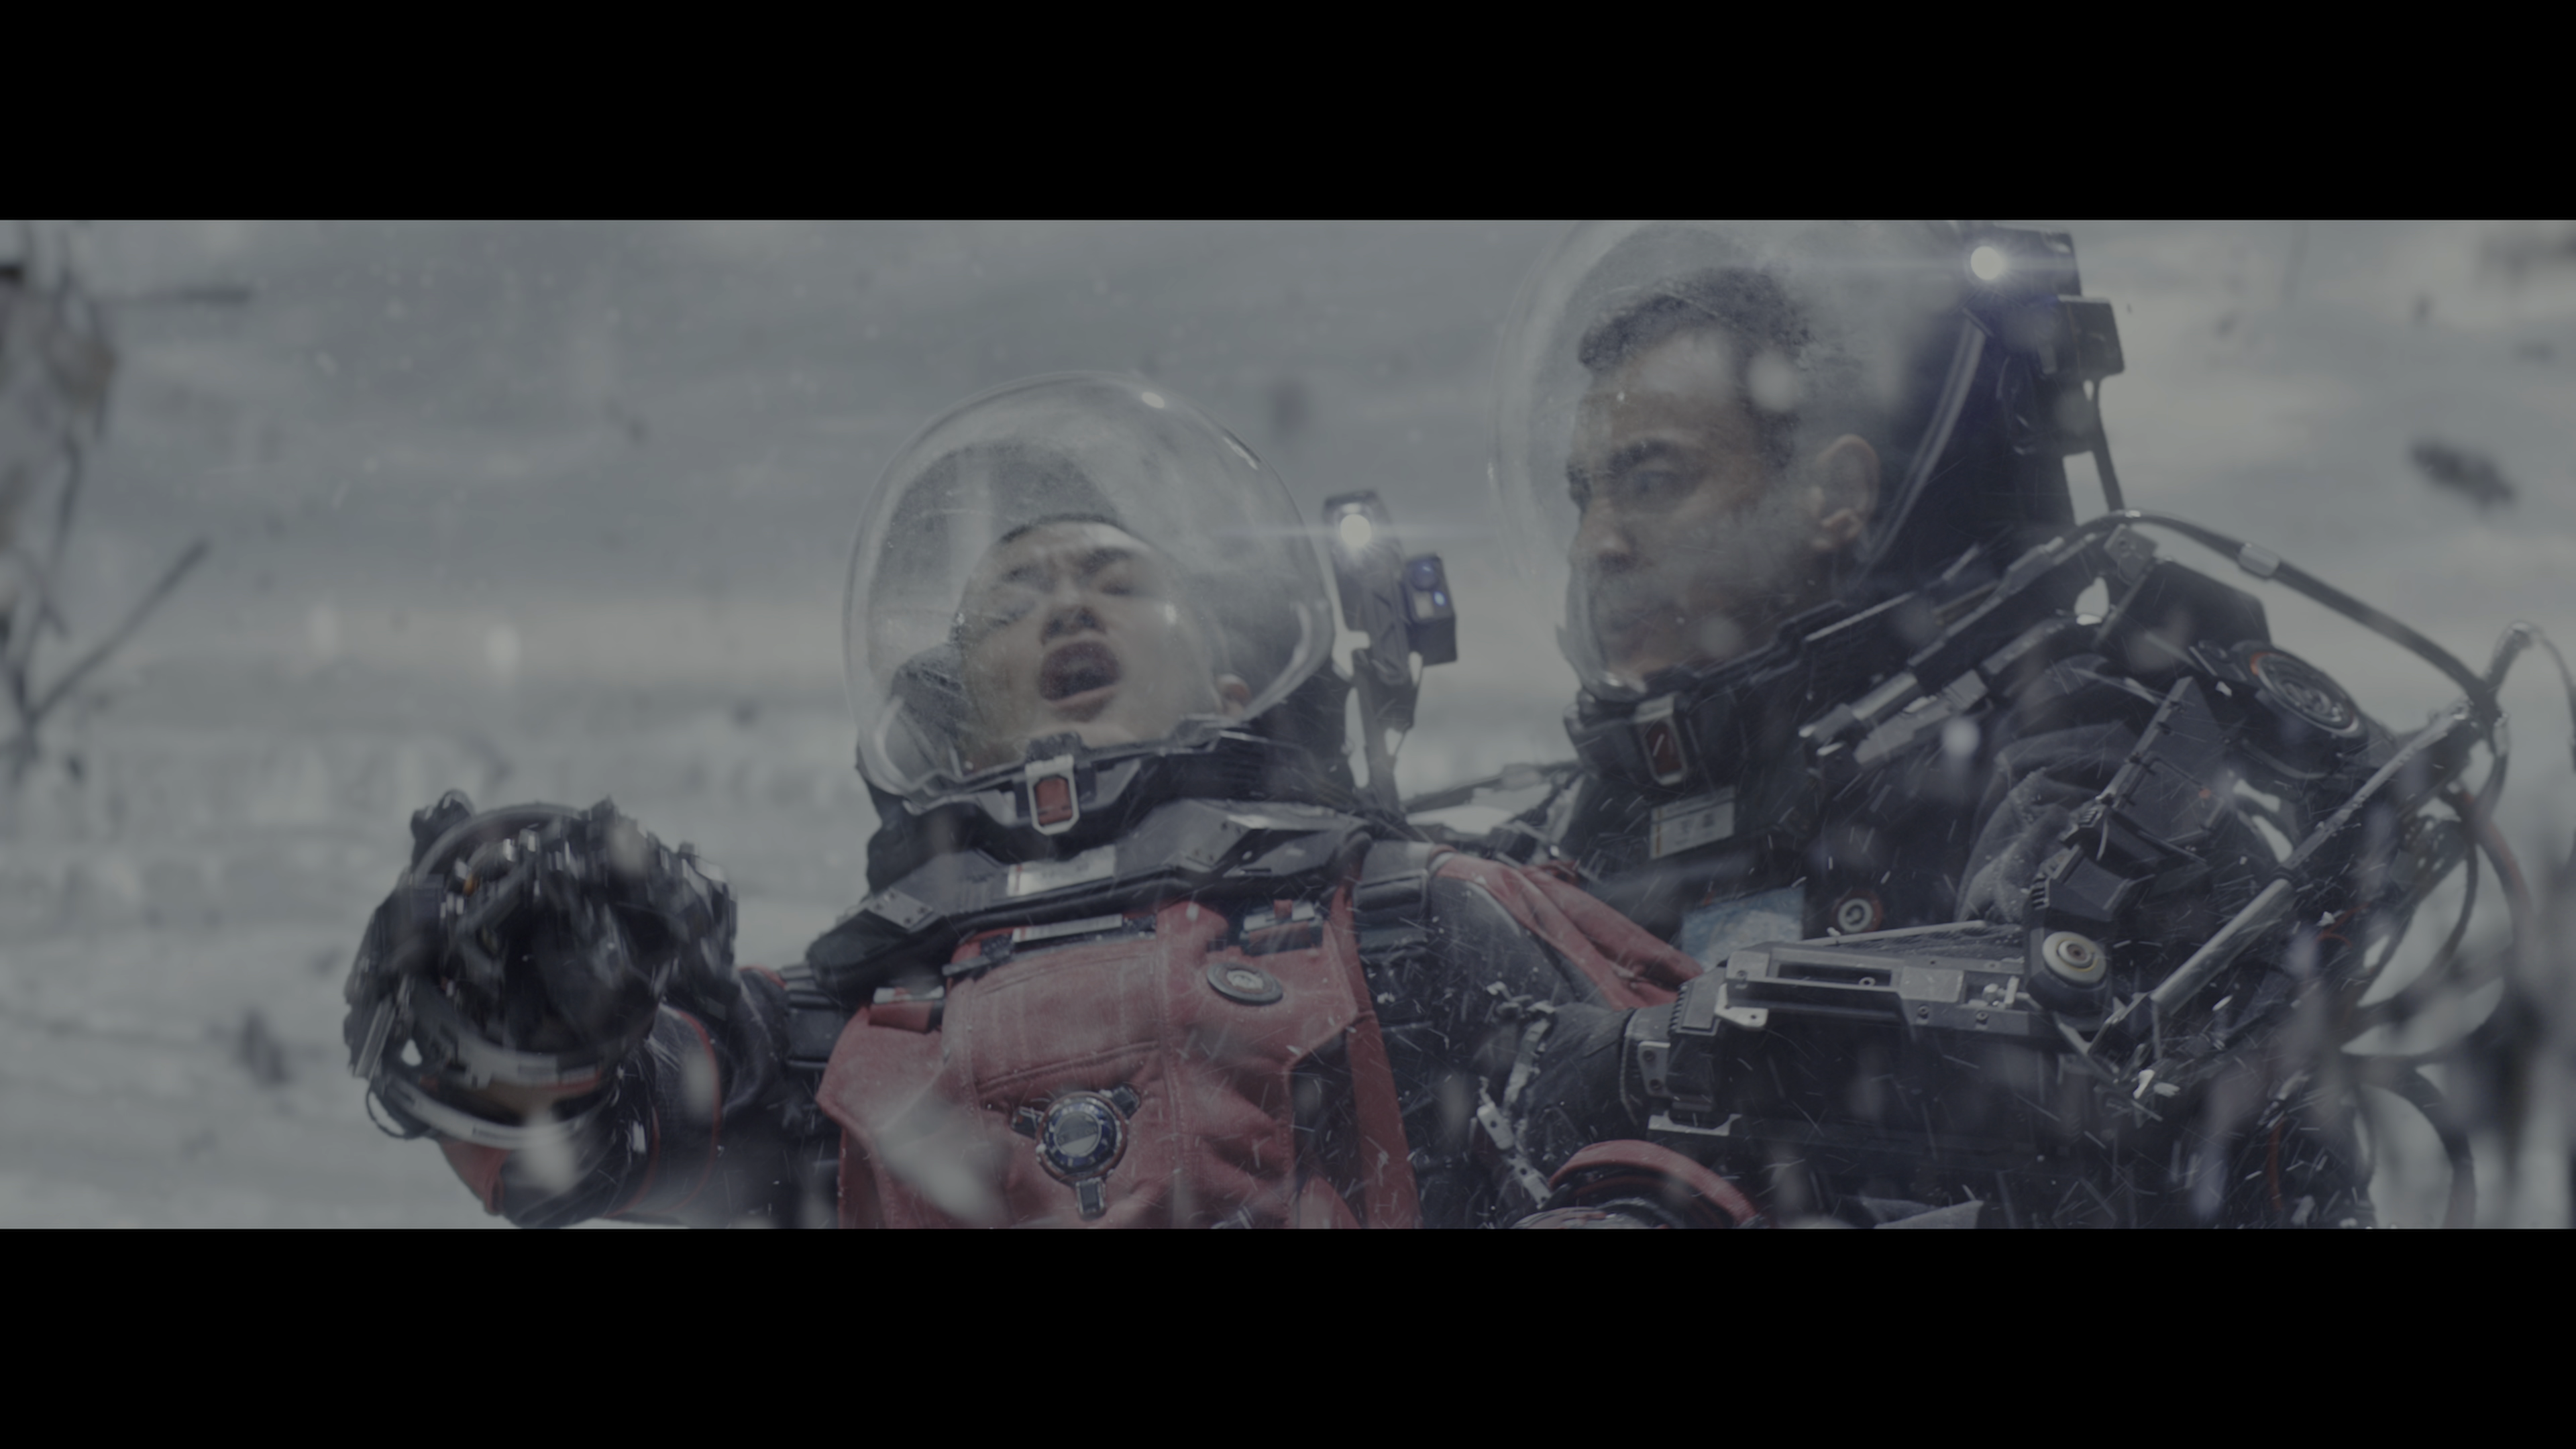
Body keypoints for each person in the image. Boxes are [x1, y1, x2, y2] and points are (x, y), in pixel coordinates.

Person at [341, 372, 1725, 1229]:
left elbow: (1681, 1132)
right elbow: (581, 1147)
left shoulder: (1414, 919)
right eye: (1015, 599)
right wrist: (520, 1004)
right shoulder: (856, 1018)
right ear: (960, 706)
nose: (1067, 602)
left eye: (1117, 580)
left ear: (1229, 674)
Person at [1462, 221, 2531, 1227]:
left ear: (1832, 497)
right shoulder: (1567, 842)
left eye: (1652, 479)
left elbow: (2118, 1127)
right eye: (1585, 494)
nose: (1598, 544)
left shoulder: (2070, 774)